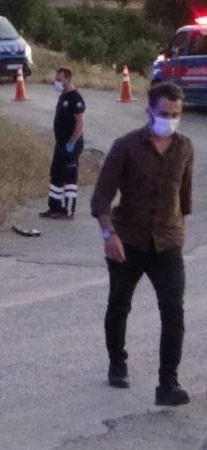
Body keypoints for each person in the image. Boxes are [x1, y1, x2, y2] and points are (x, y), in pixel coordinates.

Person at [90, 81, 193, 406]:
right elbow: (101, 199)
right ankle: (117, 363)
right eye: (165, 113)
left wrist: (179, 228)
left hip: (167, 242)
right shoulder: (126, 147)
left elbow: (184, 198)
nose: (170, 119)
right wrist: (110, 235)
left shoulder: (185, 148)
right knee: (119, 305)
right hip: (128, 240)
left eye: (176, 114)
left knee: (173, 312)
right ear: (150, 110)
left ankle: (168, 383)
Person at [40, 67, 86, 219]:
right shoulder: (63, 96)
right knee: (56, 174)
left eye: (59, 80)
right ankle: (54, 207)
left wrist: (73, 141)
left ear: (68, 79)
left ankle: (68, 210)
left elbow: (80, 121)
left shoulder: (75, 98)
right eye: (56, 79)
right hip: (60, 143)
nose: (57, 82)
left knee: (69, 177)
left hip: (70, 143)